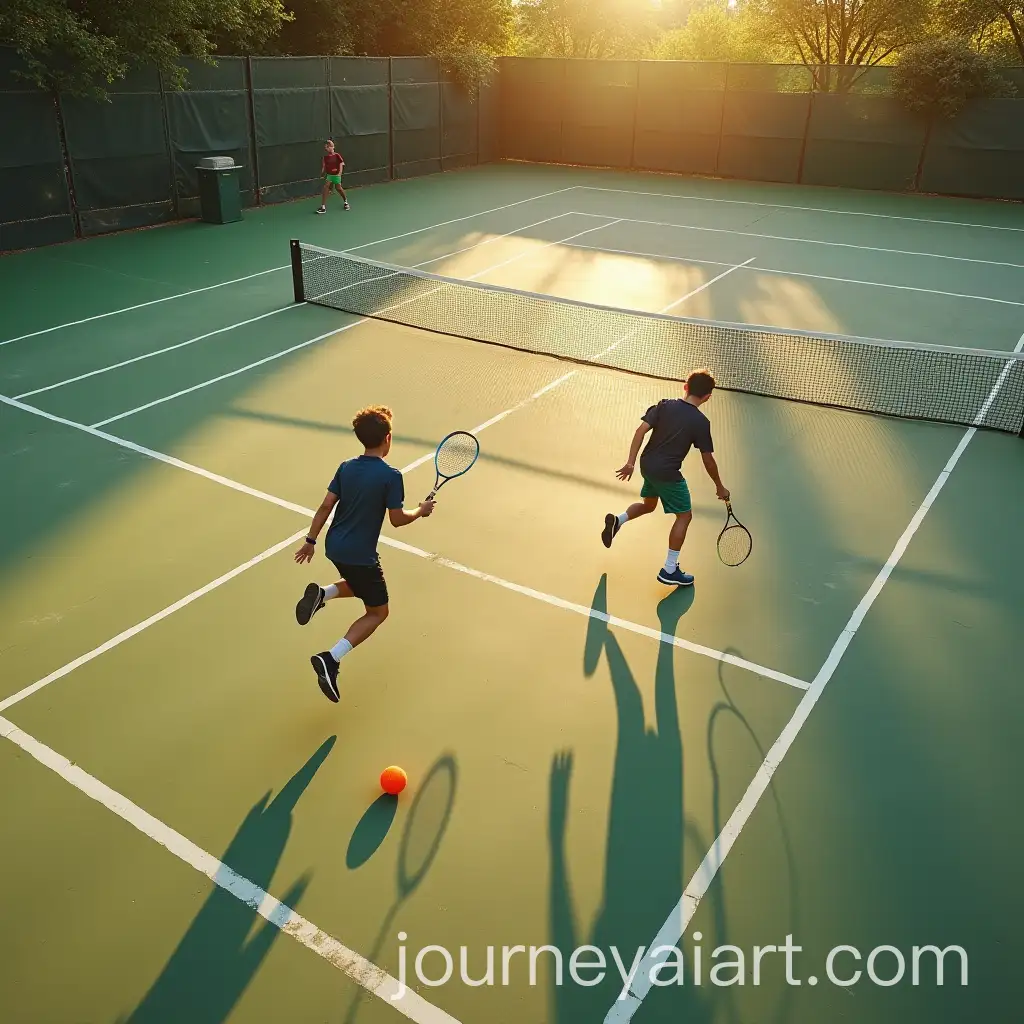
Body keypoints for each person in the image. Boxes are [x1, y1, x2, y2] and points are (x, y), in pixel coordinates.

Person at [293, 406, 434, 702]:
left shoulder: (346, 467)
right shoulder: (391, 476)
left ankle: (323, 593)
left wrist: (310, 540)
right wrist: (420, 511)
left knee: (360, 585)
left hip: (334, 547)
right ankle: (331, 658)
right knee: (378, 611)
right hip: (360, 555)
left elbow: (325, 506)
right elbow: (397, 519)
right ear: (388, 438)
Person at [601, 370, 729, 586]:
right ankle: (669, 569)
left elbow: (640, 431)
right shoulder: (701, 422)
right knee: (684, 516)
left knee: (649, 505)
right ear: (708, 397)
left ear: (685, 387)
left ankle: (618, 521)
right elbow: (708, 460)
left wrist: (630, 462)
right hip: (668, 473)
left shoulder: (663, 405)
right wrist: (720, 487)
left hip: (647, 465)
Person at [316, 139, 349, 213]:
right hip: (329, 175)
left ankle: (346, 202)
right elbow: (324, 166)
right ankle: (323, 207)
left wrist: (339, 173)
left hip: (336, 175)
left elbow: (341, 164)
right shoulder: (325, 157)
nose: (328, 148)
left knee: (339, 188)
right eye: (326, 147)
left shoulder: (337, 155)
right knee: (326, 187)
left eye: (329, 146)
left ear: (333, 147)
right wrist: (322, 173)